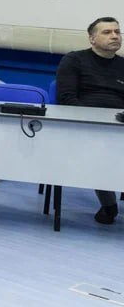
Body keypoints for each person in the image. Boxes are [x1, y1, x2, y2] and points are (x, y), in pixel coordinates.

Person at [55, 17, 124, 224]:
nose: (115, 36)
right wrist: (90, 120)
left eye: (117, 32)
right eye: (107, 32)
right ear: (92, 38)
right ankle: (109, 204)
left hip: (120, 123)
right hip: (86, 125)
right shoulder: (74, 60)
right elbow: (66, 98)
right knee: (102, 149)